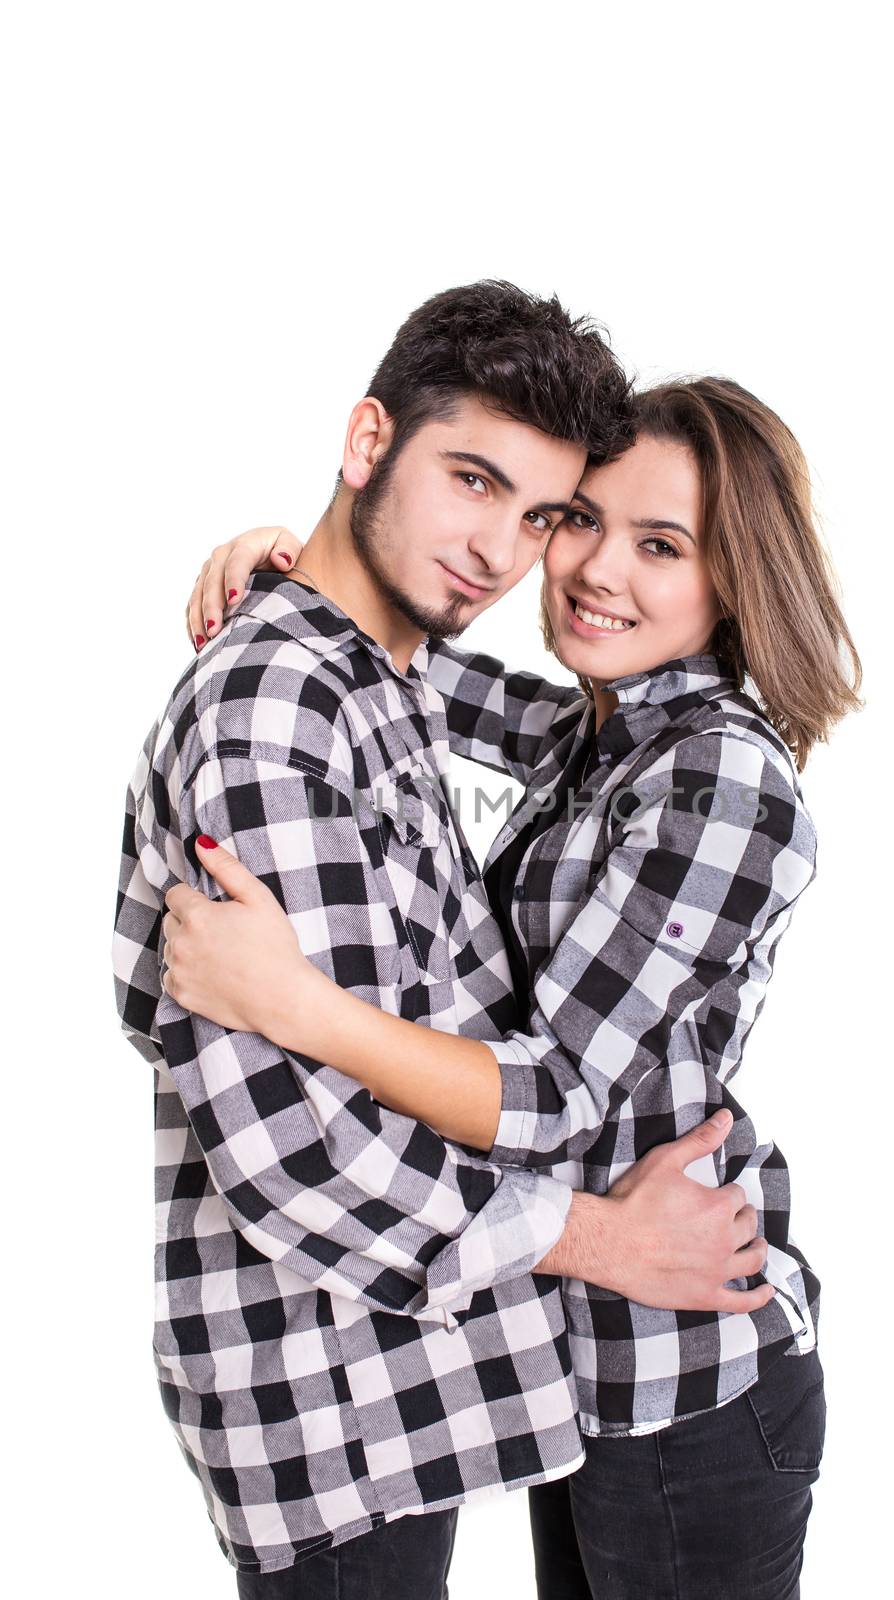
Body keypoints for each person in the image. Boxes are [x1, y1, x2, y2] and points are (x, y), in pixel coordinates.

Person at [112, 283, 782, 1598]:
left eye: (536, 512)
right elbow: (292, 1153)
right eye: (485, 487)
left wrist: (312, 1013)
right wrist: (285, 573)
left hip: (527, 1357)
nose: (519, 555)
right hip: (338, 1386)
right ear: (369, 445)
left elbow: (543, 1091)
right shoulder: (295, 710)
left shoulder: (683, 770)